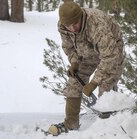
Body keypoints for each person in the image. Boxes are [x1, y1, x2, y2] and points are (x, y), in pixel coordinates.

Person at [48, 0, 124, 136]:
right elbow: (69, 47)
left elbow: (110, 55)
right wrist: (74, 62)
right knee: (74, 83)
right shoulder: (63, 26)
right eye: (68, 25)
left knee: (105, 86)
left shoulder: (96, 24)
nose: (72, 28)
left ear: (81, 17)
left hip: (112, 50)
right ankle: (70, 124)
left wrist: (94, 82)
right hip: (87, 52)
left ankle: (108, 127)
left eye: (75, 24)